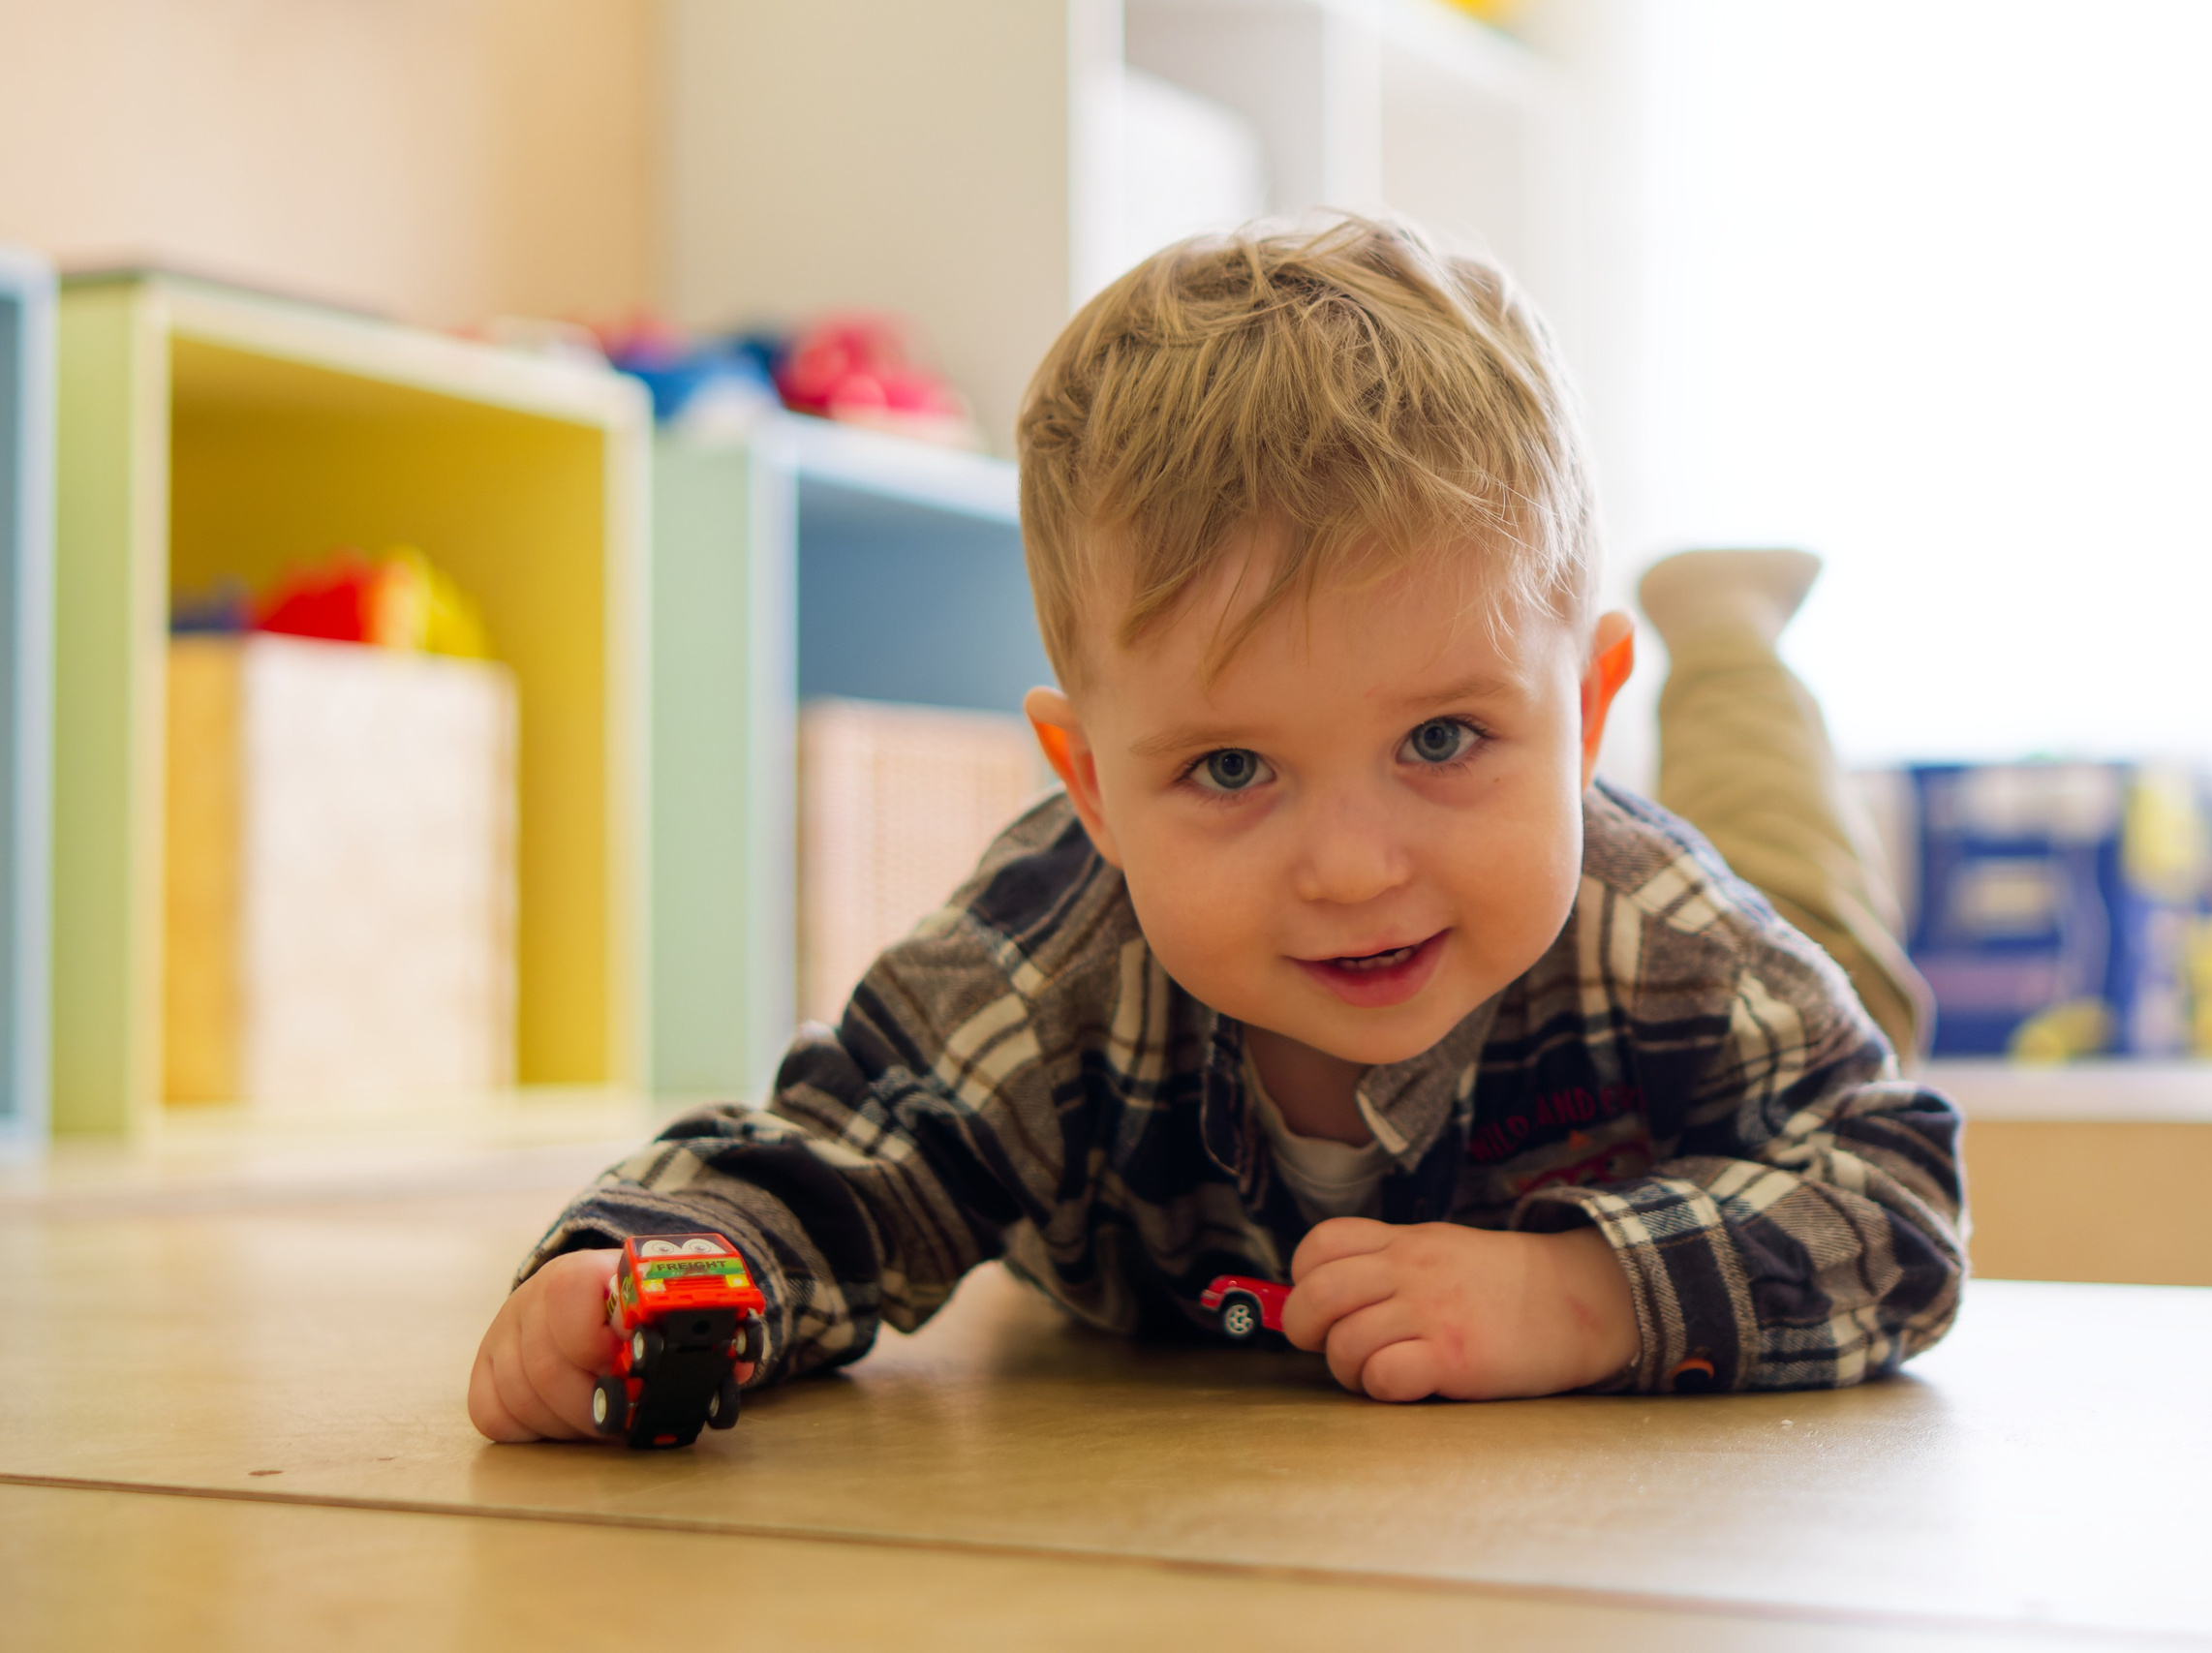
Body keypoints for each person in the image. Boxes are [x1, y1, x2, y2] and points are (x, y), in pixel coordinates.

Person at [468, 217, 1964, 1440]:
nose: (1355, 868)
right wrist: (648, 1275)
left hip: (1737, 962)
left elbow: (1897, 1203)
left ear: (1580, 720)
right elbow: (842, 1152)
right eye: (1235, 769)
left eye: (1443, 739)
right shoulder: (1047, 963)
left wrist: (1582, 1298)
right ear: (1094, 788)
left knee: (1817, 917)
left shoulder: (1668, 936)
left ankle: (1734, 643)